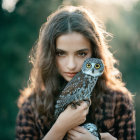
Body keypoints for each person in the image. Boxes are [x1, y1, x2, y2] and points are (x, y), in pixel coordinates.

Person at [16, 6, 136, 140]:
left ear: (94, 53)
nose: (71, 65)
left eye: (81, 54)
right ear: (49, 55)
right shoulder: (31, 106)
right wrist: (60, 127)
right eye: (61, 53)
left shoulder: (119, 101)